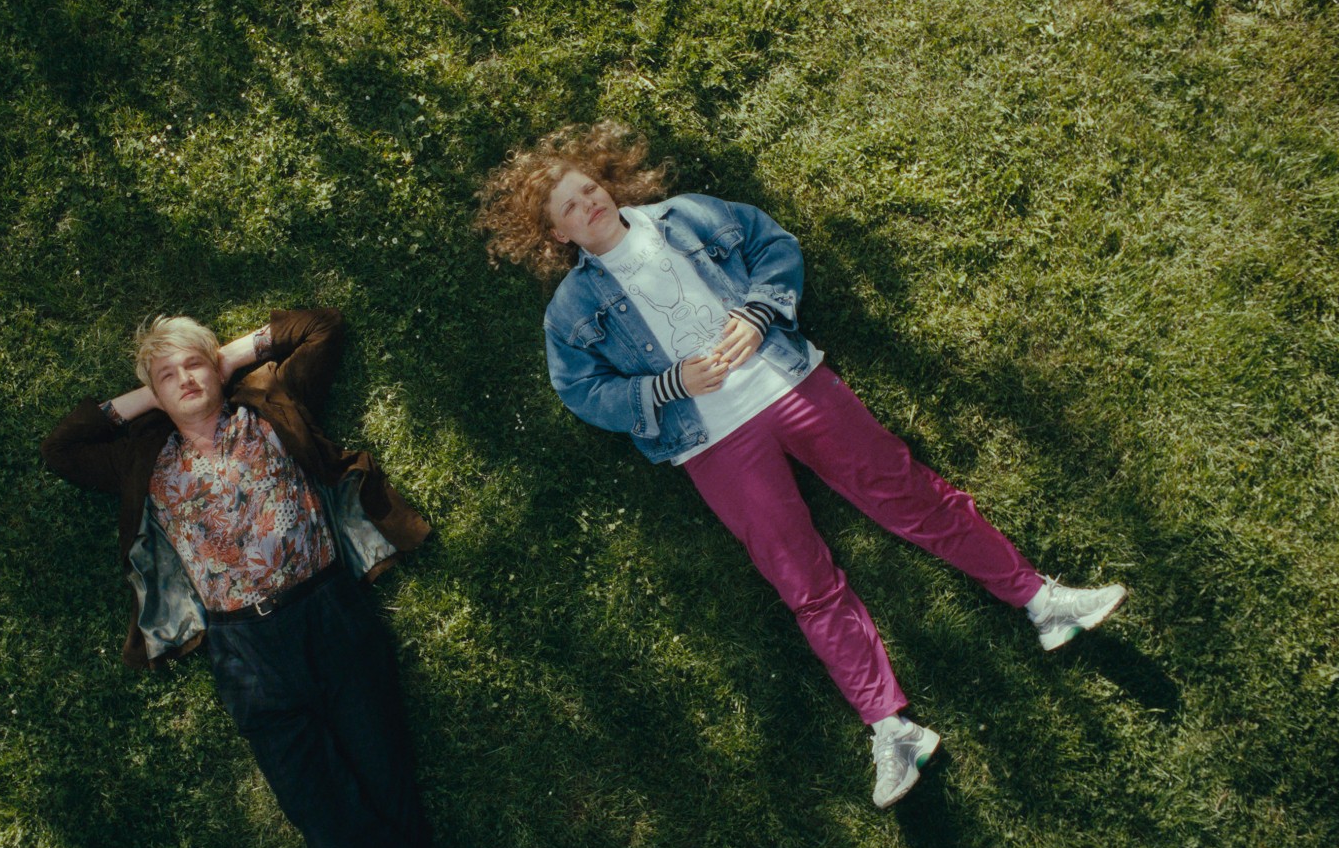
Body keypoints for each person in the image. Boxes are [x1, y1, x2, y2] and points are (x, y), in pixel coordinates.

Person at [476, 121, 1128, 809]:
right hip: (713, 442)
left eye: (588, 189)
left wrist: (760, 313)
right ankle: (892, 729)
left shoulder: (686, 216)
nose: (589, 205)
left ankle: (1041, 601)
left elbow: (774, 245)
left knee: (913, 495)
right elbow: (583, 393)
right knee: (803, 580)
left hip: (791, 385)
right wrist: (668, 386)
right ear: (558, 236)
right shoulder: (569, 312)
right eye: (570, 208)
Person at [40, 307, 447, 848]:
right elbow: (60, 449)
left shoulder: (269, 403)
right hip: (245, 651)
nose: (185, 379)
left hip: (330, 613)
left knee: (389, 788)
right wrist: (149, 395)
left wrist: (227, 359)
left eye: (193, 365)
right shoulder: (142, 459)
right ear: (153, 394)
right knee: (325, 816)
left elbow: (322, 328)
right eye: (167, 375)